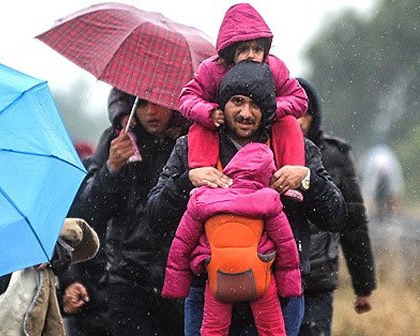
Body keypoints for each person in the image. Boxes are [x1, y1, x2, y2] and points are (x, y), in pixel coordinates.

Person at [147, 61, 347, 336]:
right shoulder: (190, 147)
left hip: (277, 294)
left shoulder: (297, 149)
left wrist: (308, 181)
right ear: (221, 105)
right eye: (237, 102)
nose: (245, 113)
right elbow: (156, 217)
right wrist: (186, 181)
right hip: (208, 291)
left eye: (255, 104)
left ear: (268, 108)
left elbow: (337, 215)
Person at [71, 87, 188, 336]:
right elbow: (89, 215)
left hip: (178, 274)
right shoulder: (118, 139)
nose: (151, 111)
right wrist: (111, 169)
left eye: (159, 102)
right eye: (142, 103)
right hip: (127, 277)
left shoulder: (188, 141)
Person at [163, 142, 302, 336]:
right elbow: (286, 245)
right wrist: (290, 287)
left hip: (218, 276)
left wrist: (175, 286)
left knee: (212, 328)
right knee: (272, 329)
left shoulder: (203, 198)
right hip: (260, 275)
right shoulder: (268, 199)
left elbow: (181, 244)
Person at [179, 2, 308, 202]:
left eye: (257, 49)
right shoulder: (212, 70)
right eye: (243, 49)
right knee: (200, 126)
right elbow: (187, 98)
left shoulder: (275, 68)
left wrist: (271, 110)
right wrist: (208, 112)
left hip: (268, 127)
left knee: (289, 122)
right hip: (220, 125)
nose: (251, 55)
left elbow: (299, 99)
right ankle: (203, 175)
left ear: (265, 51)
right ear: (230, 52)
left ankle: (289, 178)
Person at [295, 77, 376, 336]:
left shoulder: (336, 157)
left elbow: (354, 226)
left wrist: (363, 286)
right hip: (273, 281)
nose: (298, 121)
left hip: (317, 281)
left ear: (314, 116)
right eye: (292, 112)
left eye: (305, 113)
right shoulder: (264, 151)